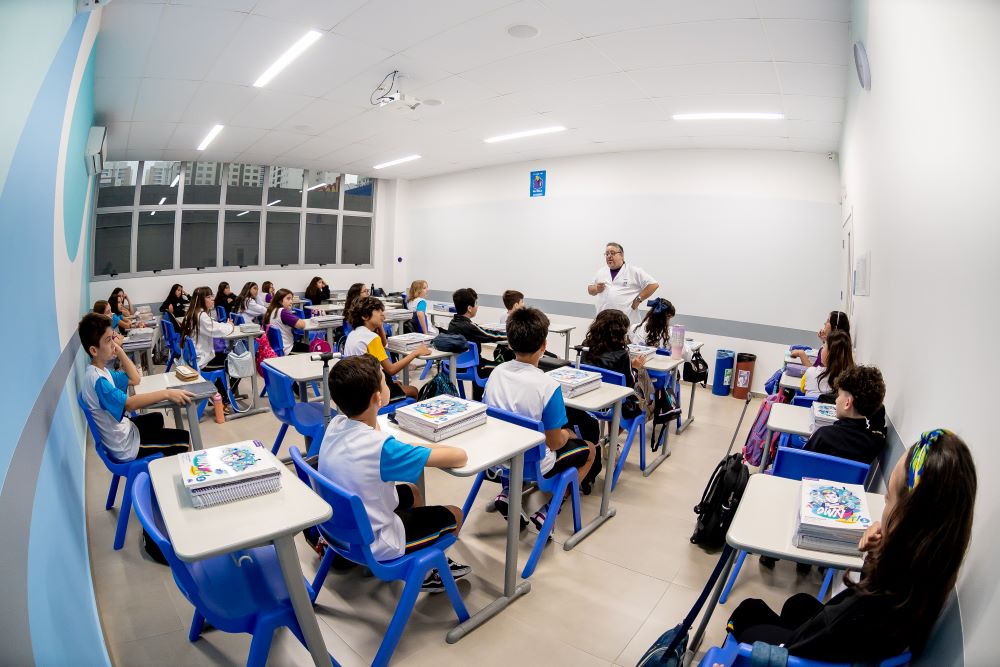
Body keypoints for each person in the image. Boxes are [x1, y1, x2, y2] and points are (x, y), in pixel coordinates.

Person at [726, 429, 977, 663]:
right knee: (798, 604)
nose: (884, 505)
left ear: (906, 520)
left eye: (888, 498)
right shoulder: (924, 583)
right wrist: (877, 553)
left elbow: (792, 653)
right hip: (852, 644)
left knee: (748, 611)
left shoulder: (854, 615)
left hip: (799, 652)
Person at [319, 354, 470, 591]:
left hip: (337, 528)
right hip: (376, 543)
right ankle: (428, 571)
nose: (390, 383)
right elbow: (460, 456)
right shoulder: (382, 449)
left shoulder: (336, 424)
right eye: (385, 381)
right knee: (456, 513)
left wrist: (413, 449)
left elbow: (376, 432)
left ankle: (421, 548)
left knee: (412, 491)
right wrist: (421, 449)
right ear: (377, 397)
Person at [485, 307, 599, 528]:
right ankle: (550, 509)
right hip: (534, 465)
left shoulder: (496, 373)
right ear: (544, 346)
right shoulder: (548, 386)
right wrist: (567, 433)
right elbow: (554, 443)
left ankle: (508, 493)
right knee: (590, 450)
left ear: (510, 343)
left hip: (498, 456)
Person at [78, 312, 193, 462]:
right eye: (108, 340)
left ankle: (163, 459)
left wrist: (120, 351)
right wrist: (167, 393)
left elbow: (135, 379)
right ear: (94, 350)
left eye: (113, 337)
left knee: (157, 418)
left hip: (124, 431)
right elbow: (130, 404)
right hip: (126, 446)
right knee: (184, 440)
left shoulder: (101, 371)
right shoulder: (98, 380)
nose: (113, 343)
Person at [343, 296, 428, 399]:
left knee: (397, 383)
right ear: (365, 316)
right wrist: (415, 353)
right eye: (378, 311)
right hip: (371, 393)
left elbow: (382, 345)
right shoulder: (371, 338)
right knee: (414, 390)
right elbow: (391, 370)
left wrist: (380, 326)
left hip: (357, 387)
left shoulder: (354, 333)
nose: (382, 314)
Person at [804, 364, 886, 464]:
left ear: (847, 403)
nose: (836, 400)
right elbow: (880, 415)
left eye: (838, 395)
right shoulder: (875, 442)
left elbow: (802, 462)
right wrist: (870, 404)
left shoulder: (823, 435)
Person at [181, 287, 240, 410]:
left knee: (226, 359)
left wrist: (225, 325)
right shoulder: (201, 316)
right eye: (208, 297)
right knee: (239, 363)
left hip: (195, 359)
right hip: (204, 360)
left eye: (211, 296)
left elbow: (214, 326)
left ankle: (219, 394)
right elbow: (216, 330)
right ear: (200, 300)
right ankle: (225, 397)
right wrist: (230, 326)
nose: (212, 299)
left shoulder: (193, 313)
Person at [446, 288, 506, 401]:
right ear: (469, 308)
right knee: (502, 368)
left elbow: (480, 331)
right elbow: (491, 336)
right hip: (471, 368)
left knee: (482, 361)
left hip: (453, 365)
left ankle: (477, 399)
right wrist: (511, 334)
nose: (477, 307)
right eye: (476, 304)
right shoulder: (469, 327)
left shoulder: (453, 323)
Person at [587, 242, 659, 324]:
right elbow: (590, 290)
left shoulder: (633, 271)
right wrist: (596, 289)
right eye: (607, 254)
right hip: (603, 322)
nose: (609, 256)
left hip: (626, 321)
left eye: (612, 253)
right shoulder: (601, 271)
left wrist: (639, 299)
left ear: (621, 255)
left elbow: (653, 284)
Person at [802, 330, 853, 397]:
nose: (822, 349)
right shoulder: (849, 381)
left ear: (830, 353)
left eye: (824, 346)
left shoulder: (811, 372)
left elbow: (803, 389)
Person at [263, 288, 310, 354]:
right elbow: (302, 325)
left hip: (276, 348)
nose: (291, 301)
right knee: (313, 349)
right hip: (287, 348)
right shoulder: (283, 312)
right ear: (280, 301)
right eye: (288, 299)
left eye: (291, 299)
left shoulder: (272, 310)